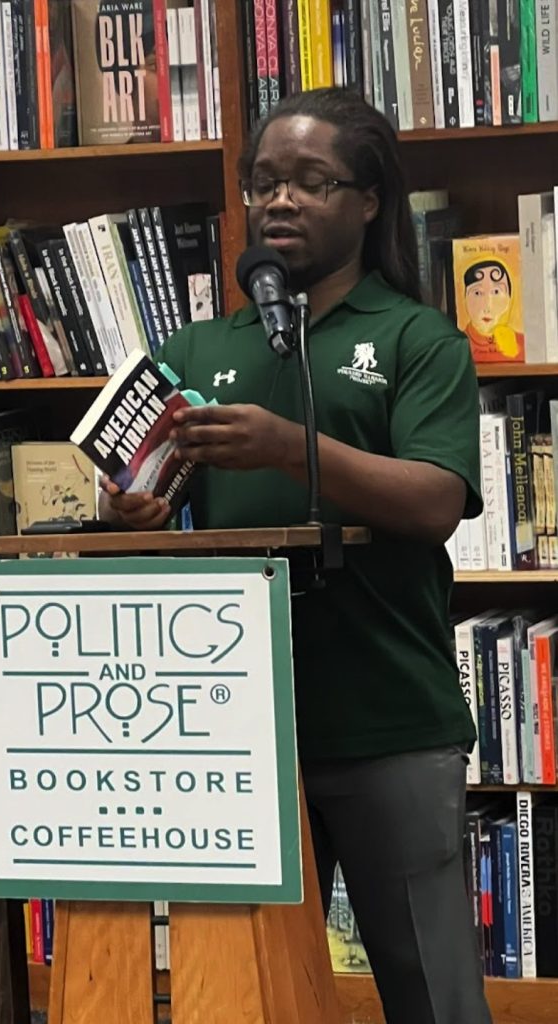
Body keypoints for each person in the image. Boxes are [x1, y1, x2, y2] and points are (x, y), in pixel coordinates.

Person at [100, 88, 490, 1024]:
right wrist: (131, 513)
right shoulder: (196, 348)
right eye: (265, 181)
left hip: (388, 716)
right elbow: (147, 502)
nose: (280, 200)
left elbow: (435, 500)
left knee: (434, 997)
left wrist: (289, 447)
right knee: (247, 998)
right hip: (235, 733)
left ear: (368, 200)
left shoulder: (417, 338)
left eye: (312, 182)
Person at [461, 258, 524, 361]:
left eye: (496, 292)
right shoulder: (458, 346)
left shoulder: (524, 345)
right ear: (465, 298)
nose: (487, 306)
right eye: (477, 293)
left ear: (509, 298)